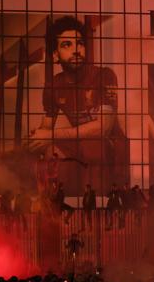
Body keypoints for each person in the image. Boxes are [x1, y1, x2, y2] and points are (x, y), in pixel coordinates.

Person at [28, 16, 129, 194]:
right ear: (55, 54)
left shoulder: (104, 75)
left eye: (79, 43)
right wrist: (37, 138)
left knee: (92, 146)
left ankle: (95, 202)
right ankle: (54, 205)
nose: (76, 50)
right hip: (79, 144)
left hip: (109, 146)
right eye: (67, 45)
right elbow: (47, 125)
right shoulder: (53, 85)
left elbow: (103, 128)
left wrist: (50, 134)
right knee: (43, 151)